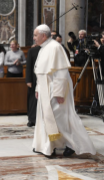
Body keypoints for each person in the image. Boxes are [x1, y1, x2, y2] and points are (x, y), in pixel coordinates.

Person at [33, 24, 96, 157]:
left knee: (58, 119)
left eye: (35, 35)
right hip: (45, 89)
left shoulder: (55, 47)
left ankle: (73, 144)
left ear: (43, 36)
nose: (34, 38)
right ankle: (47, 146)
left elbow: (61, 73)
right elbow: (41, 72)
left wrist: (59, 93)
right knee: (47, 118)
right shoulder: (43, 48)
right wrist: (38, 88)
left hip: (54, 90)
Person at [25, 45, 41, 127]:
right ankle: (32, 119)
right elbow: (29, 66)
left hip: (45, 79)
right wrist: (28, 80)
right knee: (33, 100)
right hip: (34, 79)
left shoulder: (49, 49)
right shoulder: (32, 50)